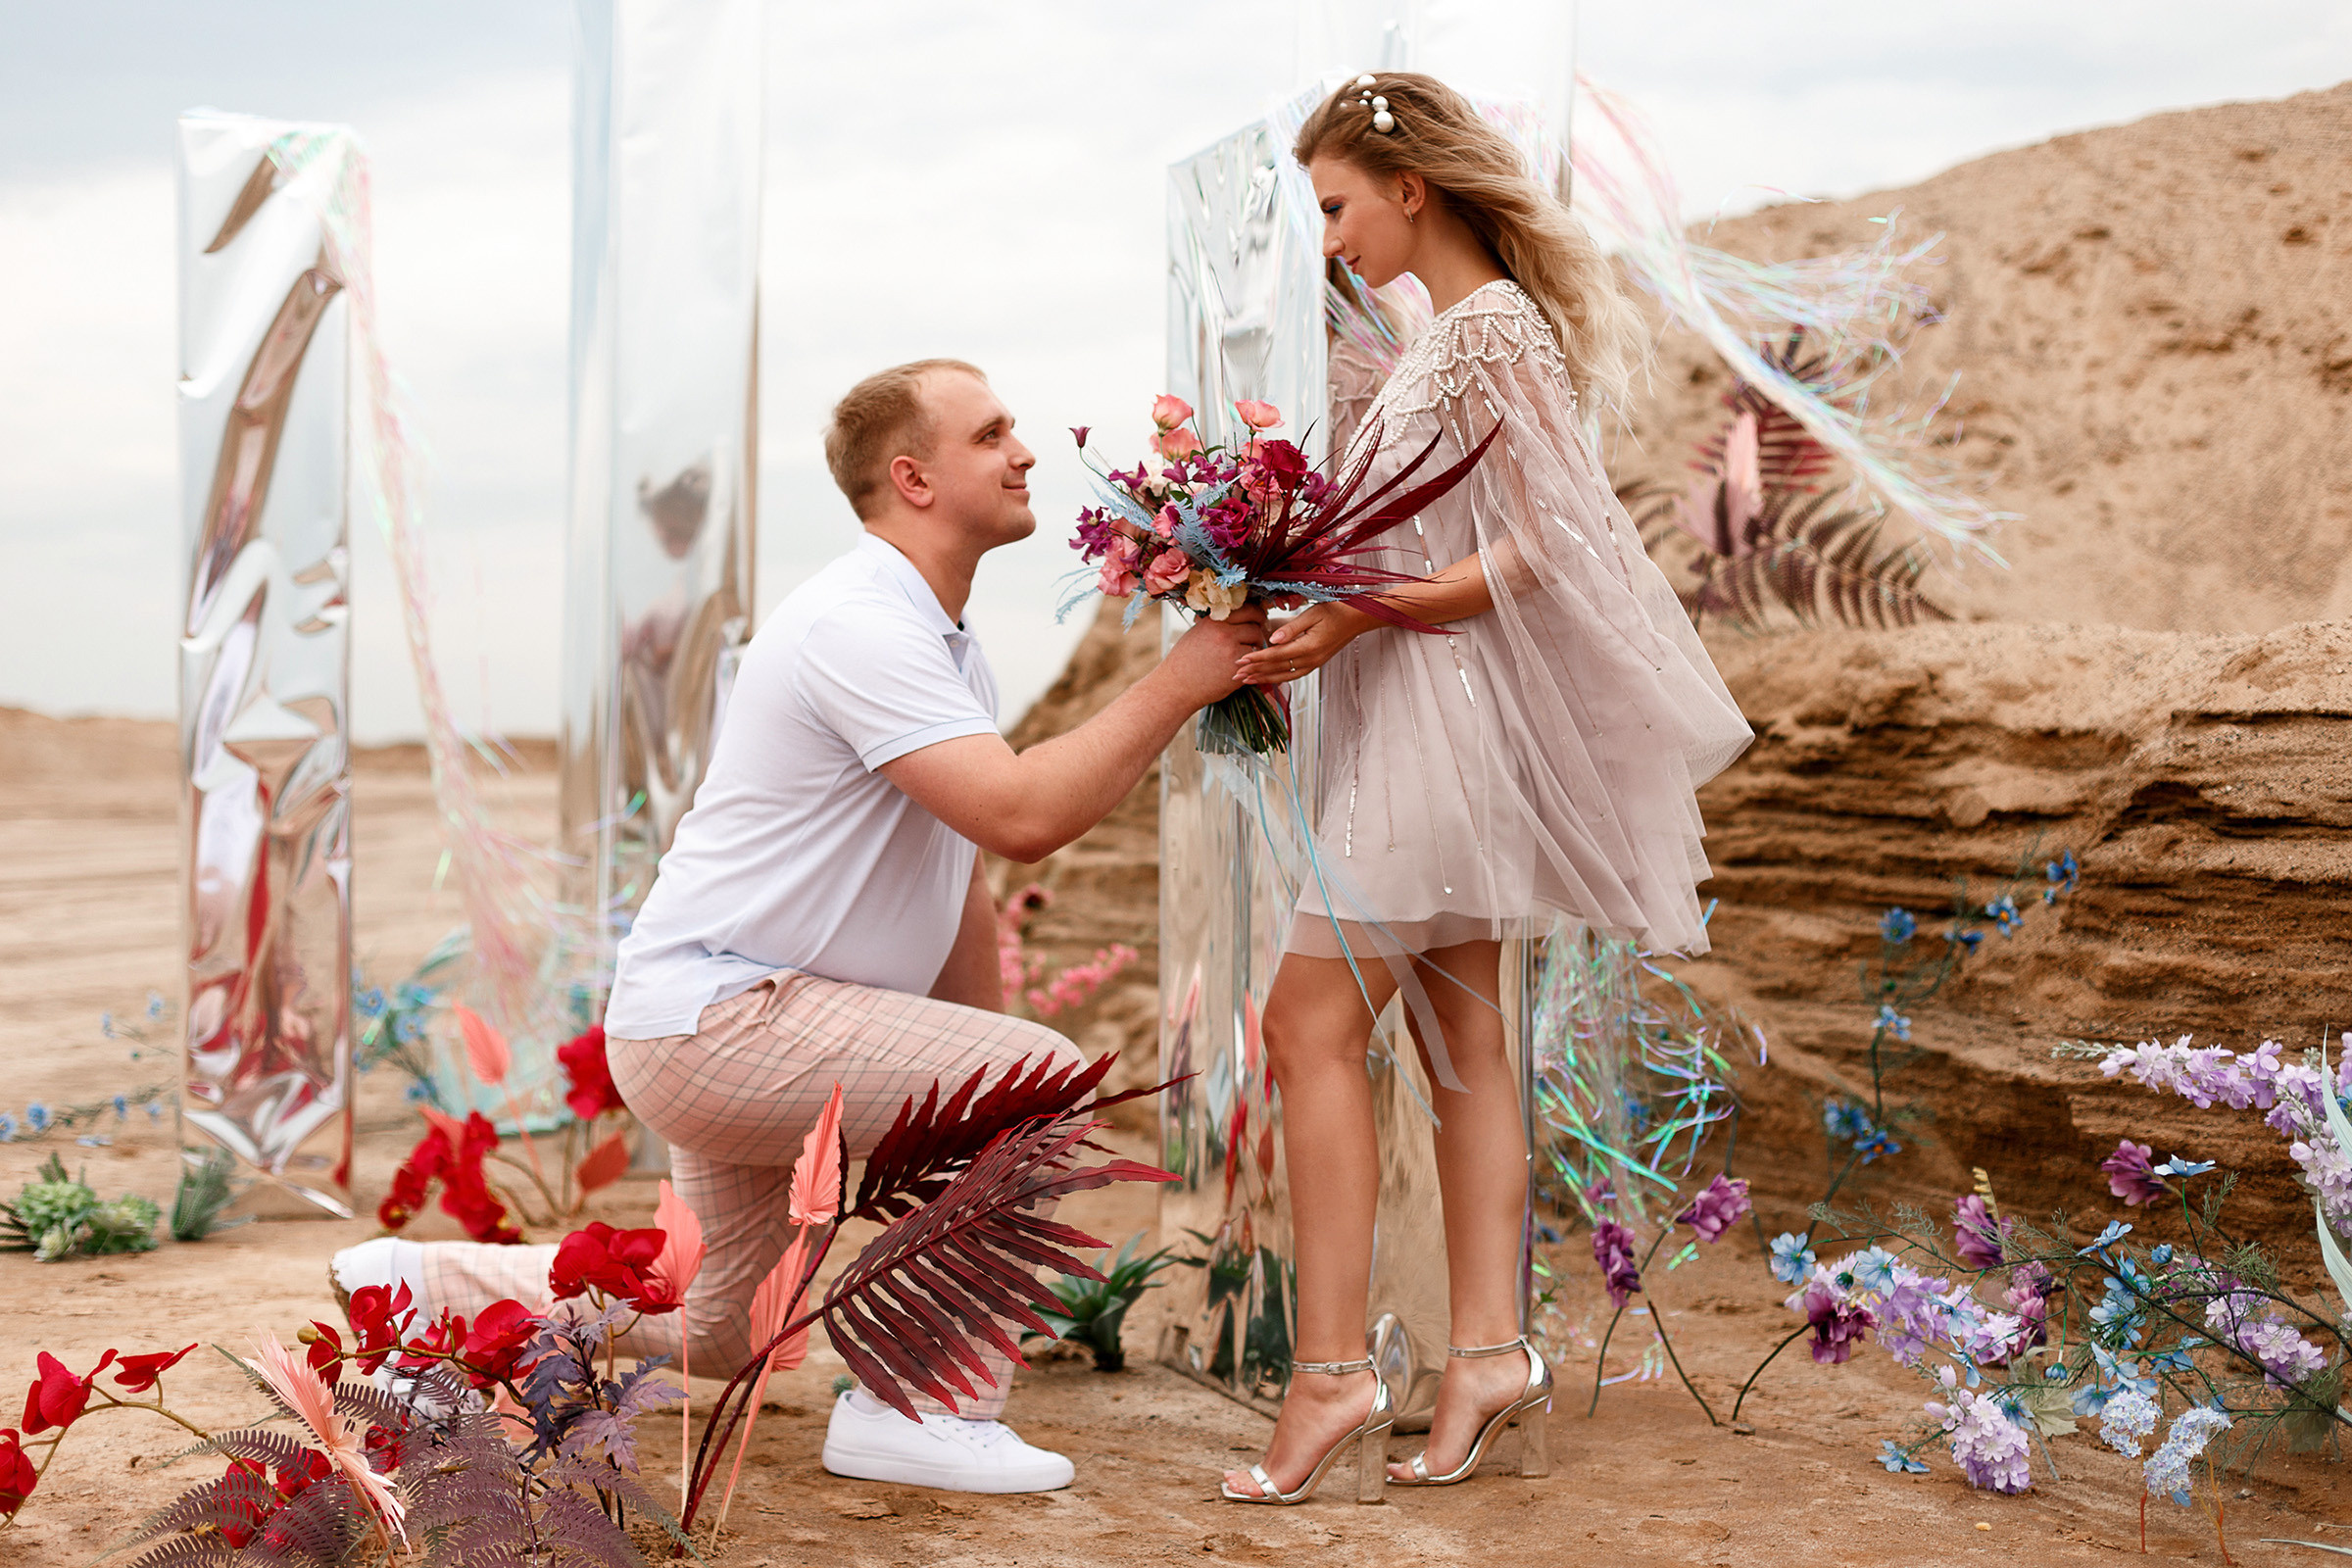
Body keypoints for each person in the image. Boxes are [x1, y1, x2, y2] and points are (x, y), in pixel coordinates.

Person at [332, 358, 1267, 1494]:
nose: (1025, 451)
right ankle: (913, 1404)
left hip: (732, 1017)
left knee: (720, 1324)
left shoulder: (935, 635)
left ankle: (417, 1286)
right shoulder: (857, 624)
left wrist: (972, 1115)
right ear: (912, 477)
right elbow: (1022, 816)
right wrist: (1185, 676)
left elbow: (958, 865)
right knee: (1051, 1083)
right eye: (994, 433)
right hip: (728, 1017)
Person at [1216, 74, 1753, 1504]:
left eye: (1335, 205)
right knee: (1463, 1045)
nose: (1328, 237)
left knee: (1306, 1021)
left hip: (1435, 738)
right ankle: (1487, 1352)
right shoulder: (1427, 341)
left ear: (1410, 187)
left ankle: (1331, 1368)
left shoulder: (1494, 329)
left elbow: (1537, 551)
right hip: (1420, 727)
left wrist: (1356, 616)